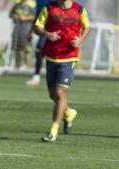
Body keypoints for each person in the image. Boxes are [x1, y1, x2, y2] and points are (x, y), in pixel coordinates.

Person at [34, 0, 90, 142]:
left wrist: (80, 40)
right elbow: (37, 27)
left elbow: (86, 27)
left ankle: (53, 131)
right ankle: (69, 112)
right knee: (53, 95)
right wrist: (47, 34)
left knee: (59, 93)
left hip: (69, 57)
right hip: (51, 55)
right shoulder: (49, 8)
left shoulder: (80, 10)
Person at [25, 0, 50, 86]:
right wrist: (31, 30)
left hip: (57, 29)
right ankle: (36, 77)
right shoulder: (39, 2)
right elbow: (38, 16)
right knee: (39, 50)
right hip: (45, 30)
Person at [9, 0, 36, 70]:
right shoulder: (17, 3)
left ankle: (27, 66)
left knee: (27, 49)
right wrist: (16, 16)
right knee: (16, 48)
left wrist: (25, 18)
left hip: (27, 28)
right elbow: (10, 14)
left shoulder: (32, 4)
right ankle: (17, 65)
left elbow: (34, 16)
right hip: (17, 28)